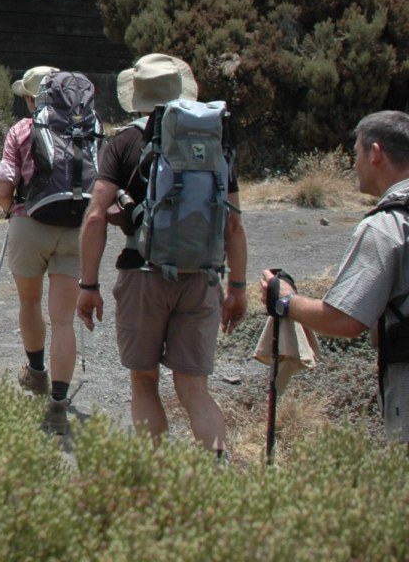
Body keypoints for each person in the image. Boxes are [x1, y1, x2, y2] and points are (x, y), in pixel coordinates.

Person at [77, 53, 248, 457]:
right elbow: (234, 225)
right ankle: (218, 477)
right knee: (194, 389)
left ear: (136, 96)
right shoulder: (212, 143)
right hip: (202, 276)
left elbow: (96, 217)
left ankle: (157, 479)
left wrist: (88, 284)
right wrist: (237, 288)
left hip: (142, 274)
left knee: (144, 380)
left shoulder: (124, 143)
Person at [260, 110, 409, 444]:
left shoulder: (386, 227)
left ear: (375, 153)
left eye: (355, 152)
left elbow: (344, 320)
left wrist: (283, 299)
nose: (353, 163)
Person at [0, 64, 82, 436]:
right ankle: (59, 404)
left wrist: (7, 210)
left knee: (30, 303)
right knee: (63, 319)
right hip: (75, 229)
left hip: (29, 222)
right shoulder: (82, 128)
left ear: (31, 99)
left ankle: (36, 373)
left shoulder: (21, 130)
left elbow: (4, 185)